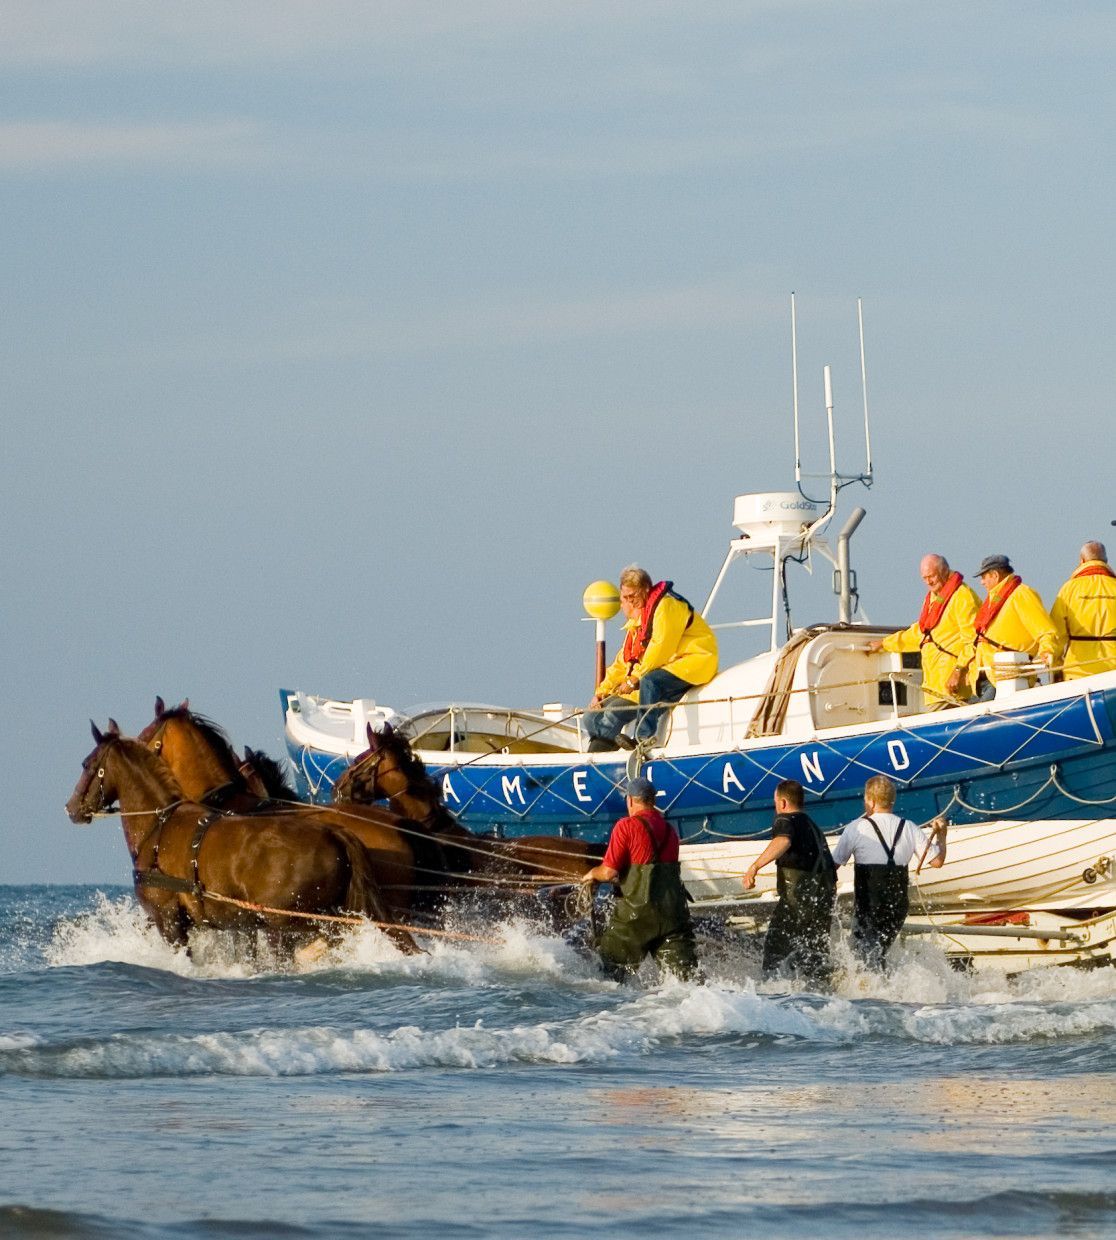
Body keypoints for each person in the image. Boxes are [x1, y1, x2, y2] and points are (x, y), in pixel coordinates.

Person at [583, 566, 718, 751]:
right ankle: (606, 748)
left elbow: (661, 647)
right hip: (669, 666)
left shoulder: (667, 607)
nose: (631, 601)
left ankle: (643, 738)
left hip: (695, 660)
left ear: (646, 590)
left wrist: (634, 679)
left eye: (634, 596)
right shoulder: (638, 625)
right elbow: (621, 664)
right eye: (626, 597)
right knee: (591, 716)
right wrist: (601, 692)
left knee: (650, 681)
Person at [580, 775, 699, 981]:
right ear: (653, 800)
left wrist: (591, 874)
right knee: (685, 982)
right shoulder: (670, 831)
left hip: (637, 916)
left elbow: (609, 872)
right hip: (673, 915)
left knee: (609, 974)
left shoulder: (626, 826)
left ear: (631, 800)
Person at [831, 775, 946, 970]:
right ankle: (886, 989)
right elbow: (937, 861)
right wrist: (942, 836)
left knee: (863, 957)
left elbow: (832, 866)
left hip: (869, 904)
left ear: (872, 801)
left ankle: (872, 995)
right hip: (897, 905)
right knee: (879, 952)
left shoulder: (856, 828)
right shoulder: (909, 827)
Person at [741, 778, 836, 985]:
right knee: (815, 956)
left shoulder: (785, 820)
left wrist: (755, 867)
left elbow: (783, 840)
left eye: (776, 803)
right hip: (822, 904)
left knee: (775, 949)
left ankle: (772, 997)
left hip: (796, 904)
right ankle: (824, 997)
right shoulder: (814, 827)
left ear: (783, 803)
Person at [867, 554, 979, 708]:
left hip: (954, 688)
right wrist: (884, 644)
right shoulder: (934, 598)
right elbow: (919, 634)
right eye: (924, 578)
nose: (928, 582)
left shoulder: (962, 597)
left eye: (931, 576)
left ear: (944, 571)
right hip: (935, 689)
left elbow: (973, 639)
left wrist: (958, 671)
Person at [947, 555, 1058, 702]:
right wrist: (962, 669)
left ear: (995, 575)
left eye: (984, 577)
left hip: (1004, 679)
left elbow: (1045, 630)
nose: (982, 582)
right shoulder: (993, 599)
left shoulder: (1021, 594)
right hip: (985, 679)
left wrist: (1047, 650)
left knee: (981, 719)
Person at [1051, 541, 1116, 681]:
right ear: (1105, 561)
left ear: (1082, 560)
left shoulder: (1068, 589)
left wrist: (1055, 667)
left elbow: (1057, 635)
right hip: (1113, 671)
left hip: (1077, 671)